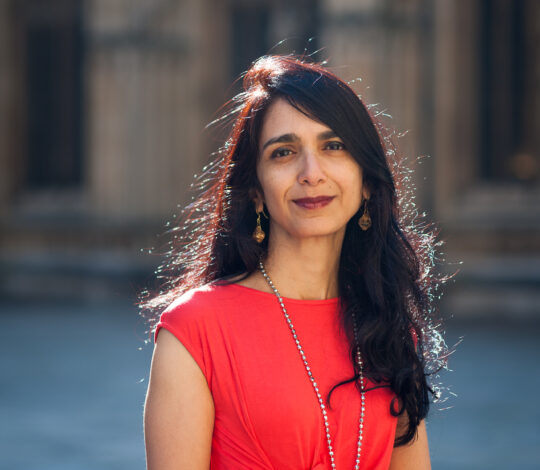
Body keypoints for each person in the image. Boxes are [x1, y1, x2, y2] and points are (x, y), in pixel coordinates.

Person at [142, 55, 447, 469]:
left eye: (333, 146)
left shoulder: (388, 326)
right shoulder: (196, 329)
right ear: (255, 190)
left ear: (368, 183)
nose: (311, 172)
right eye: (283, 152)